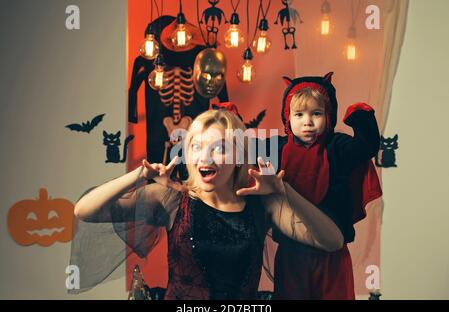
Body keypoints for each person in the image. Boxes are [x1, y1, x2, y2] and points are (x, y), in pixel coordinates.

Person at [72, 109, 343, 300]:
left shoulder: (262, 205)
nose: (205, 157)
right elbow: (84, 210)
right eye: (196, 146)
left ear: (239, 156)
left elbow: (332, 241)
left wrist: (284, 191)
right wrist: (140, 175)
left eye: (219, 148)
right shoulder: (171, 198)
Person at [272, 72, 383, 300]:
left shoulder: (337, 146)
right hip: (292, 253)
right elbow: (244, 152)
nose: (308, 122)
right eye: (299, 114)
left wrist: (362, 119)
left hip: (331, 256)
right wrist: (229, 123)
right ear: (287, 118)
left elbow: (365, 147)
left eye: (316, 114)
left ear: (328, 116)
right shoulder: (276, 148)